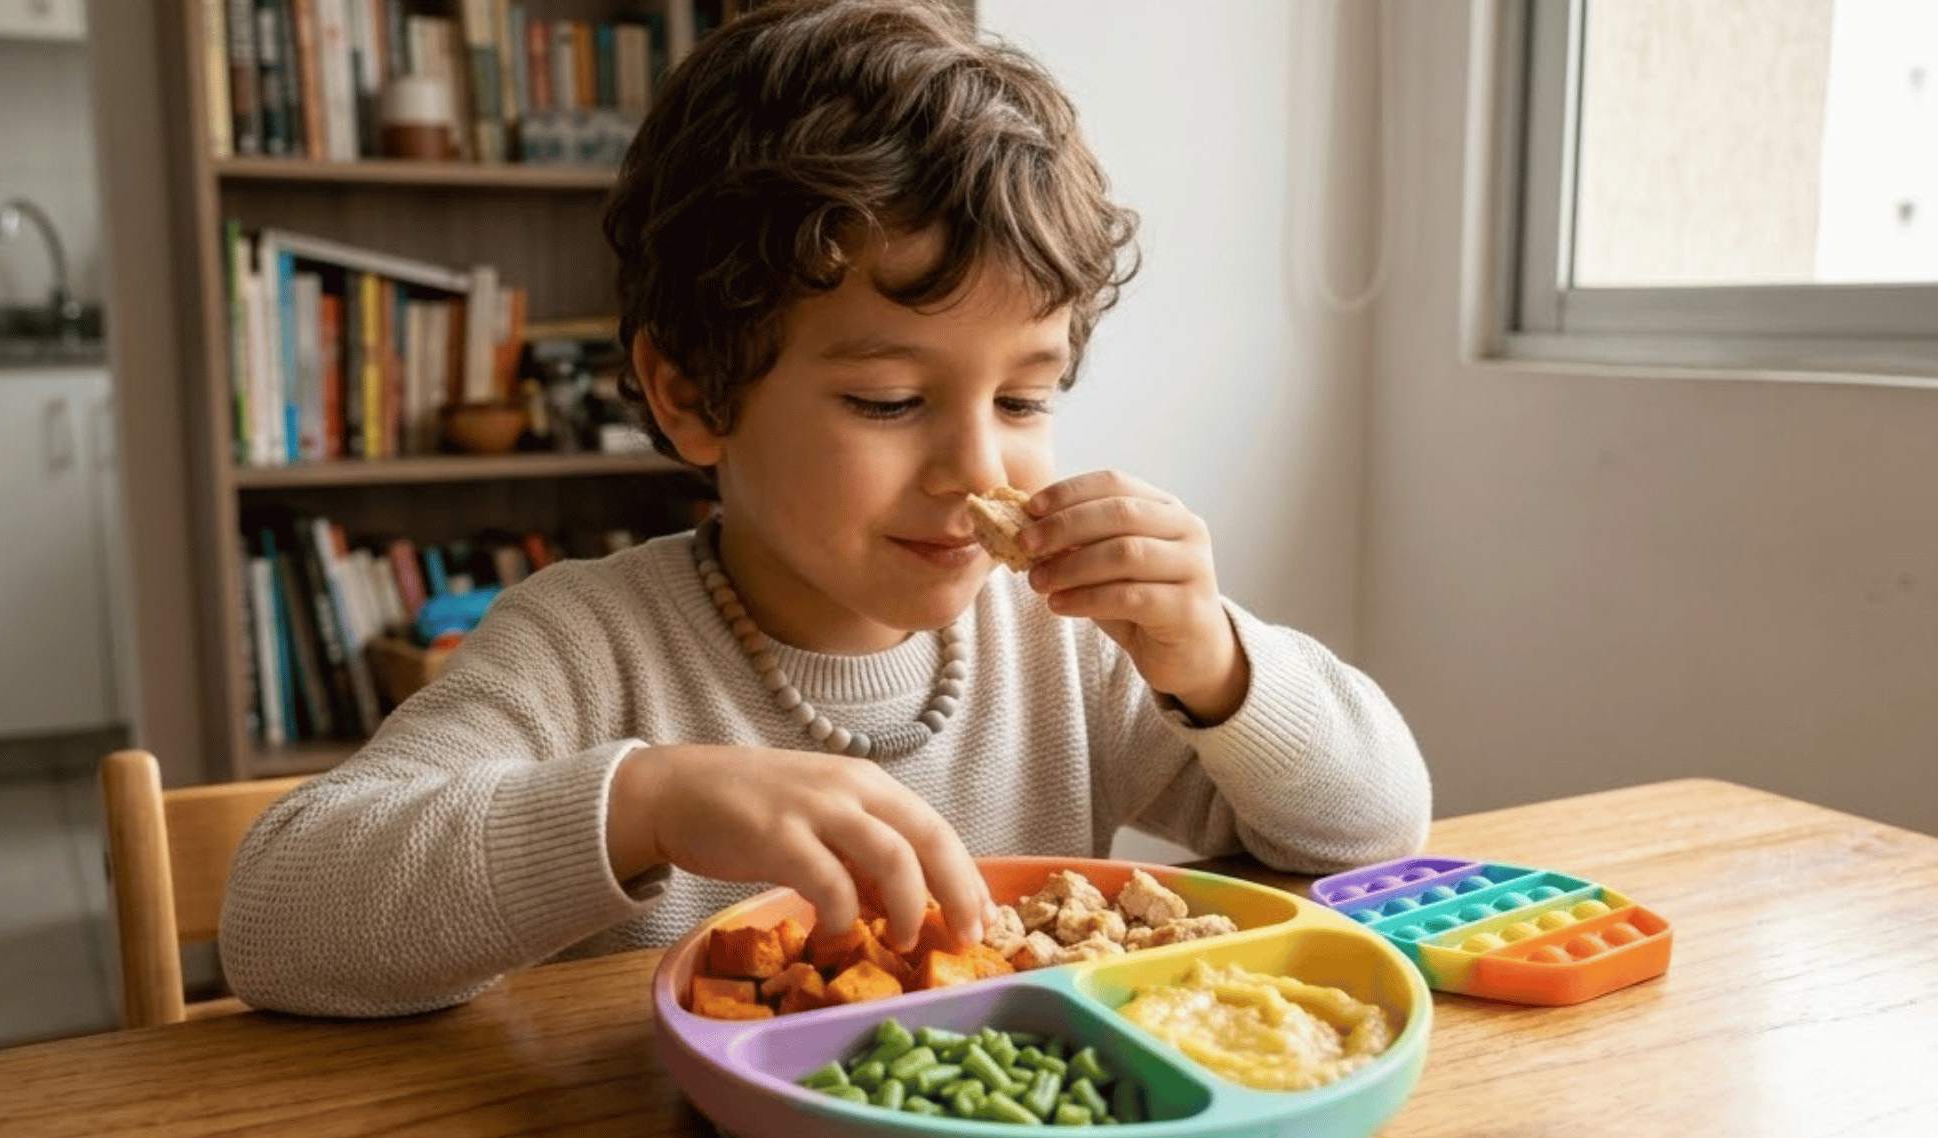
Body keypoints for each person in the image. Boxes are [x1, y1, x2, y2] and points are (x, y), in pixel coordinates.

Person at [219, 0, 1429, 1017]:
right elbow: (275, 923)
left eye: (1023, 396)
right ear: (691, 396)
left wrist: (1212, 661)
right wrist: (647, 801)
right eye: (889, 400)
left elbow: (1373, 833)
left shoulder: (1067, 642)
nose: (978, 469)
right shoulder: (583, 649)